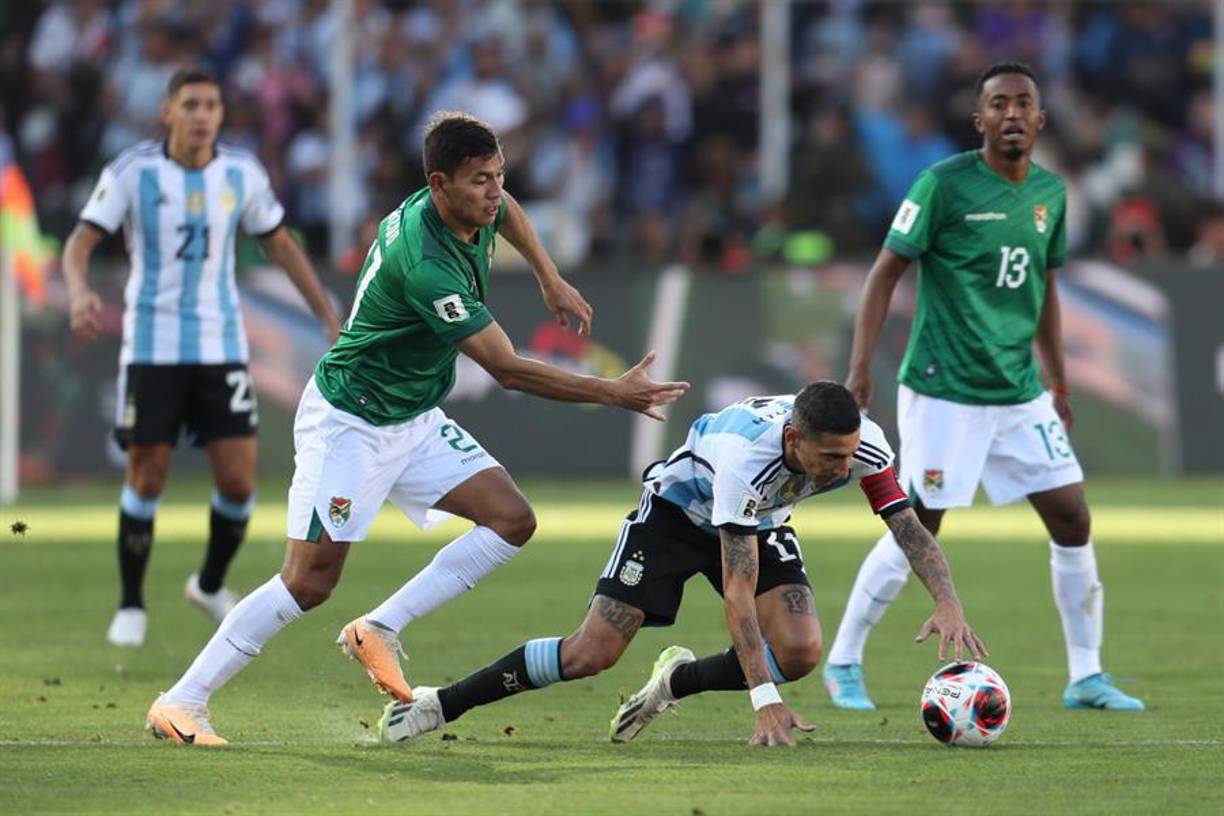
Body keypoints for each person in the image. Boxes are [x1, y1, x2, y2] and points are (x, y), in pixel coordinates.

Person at [144, 111, 689, 746]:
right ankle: (183, 700)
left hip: (413, 416)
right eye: (479, 180)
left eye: (498, 174)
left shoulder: (471, 207)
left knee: (512, 519)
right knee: (308, 581)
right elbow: (507, 369)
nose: (494, 191)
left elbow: (508, 208)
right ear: (439, 183)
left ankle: (379, 627)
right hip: (351, 421)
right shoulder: (424, 262)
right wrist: (612, 392)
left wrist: (547, 274)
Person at [380, 382, 986, 748]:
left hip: (760, 519)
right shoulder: (747, 459)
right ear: (794, 438)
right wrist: (762, 699)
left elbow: (908, 526)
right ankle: (440, 703)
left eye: (847, 456)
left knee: (800, 651)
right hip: (676, 512)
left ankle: (673, 682)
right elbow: (737, 591)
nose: (839, 469)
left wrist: (948, 598)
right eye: (829, 458)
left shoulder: (864, 446)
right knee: (591, 654)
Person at [821, 62, 1144, 712]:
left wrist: (1056, 377)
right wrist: (859, 366)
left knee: (1072, 515)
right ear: (981, 120)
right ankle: (843, 660)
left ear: (1041, 117)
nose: (1013, 113)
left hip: (1018, 392)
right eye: (999, 104)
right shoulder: (943, 185)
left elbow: (1045, 292)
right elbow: (884, 275)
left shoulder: (1051, 193)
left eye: (1024, 103)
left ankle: (1086, 676)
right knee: (919, 525)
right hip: (945, 391)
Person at [64, 67, 341, 648]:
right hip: (152, 347)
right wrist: (81, 290)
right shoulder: (133, 172)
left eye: (211, 105)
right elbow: (81, 241)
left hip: (220, 346)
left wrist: (322, 311)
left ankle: (210, 583)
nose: (201, 115)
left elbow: (280, 243)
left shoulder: (240, 173)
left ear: (221, 114)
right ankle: (131, 601)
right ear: (168, 112)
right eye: (190, 104)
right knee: (148, 475)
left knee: (239, 482)